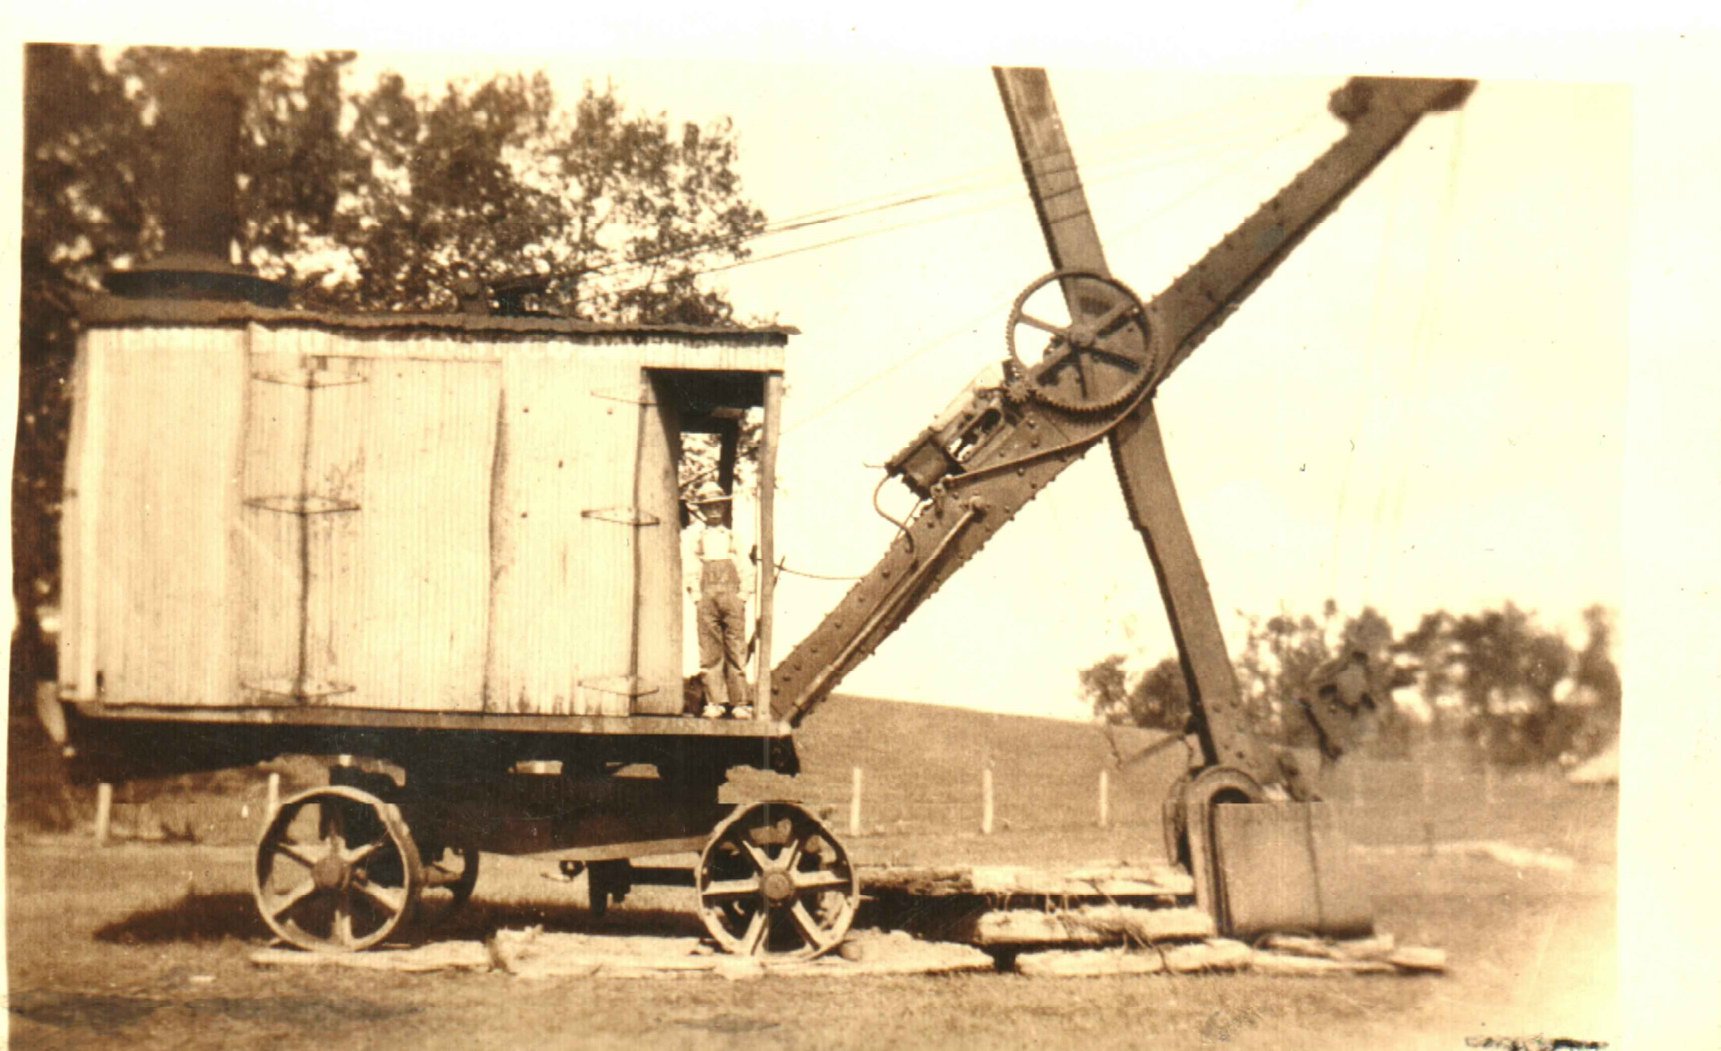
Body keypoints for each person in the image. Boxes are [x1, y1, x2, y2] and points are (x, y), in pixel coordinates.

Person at [686, 501, 752, 719]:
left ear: (723, 509)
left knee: (736, 649)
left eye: (717, 506)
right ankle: (715, 702)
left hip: (732, 597)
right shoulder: (698, 539)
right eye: (709, 507)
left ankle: (740, 703)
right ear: (703, 511)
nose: (714, 510)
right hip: (707, 598)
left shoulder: (732, 537)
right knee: (710, 651)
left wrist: (743, 595)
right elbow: (691, 569)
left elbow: (745, 566)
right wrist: (697, 597)